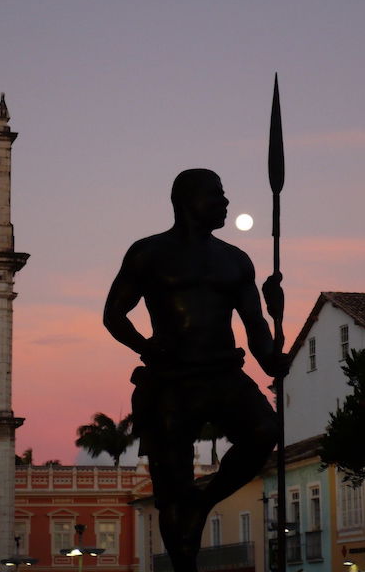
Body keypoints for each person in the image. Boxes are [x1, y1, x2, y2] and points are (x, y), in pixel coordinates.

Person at [104, 168, 286, 572]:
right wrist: (145, 347)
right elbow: (114, 314)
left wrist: (275, 340)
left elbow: (256, 329)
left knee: (265, 431)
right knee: (171, 488)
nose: (225, 202)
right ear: (188, 200)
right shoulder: (148, 253)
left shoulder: (235, 260)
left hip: (224, 373)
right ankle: (184, 560)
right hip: (170, 379)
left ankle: (202, 503)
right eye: (216, 195)